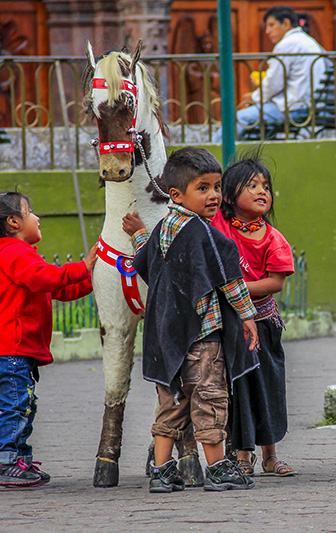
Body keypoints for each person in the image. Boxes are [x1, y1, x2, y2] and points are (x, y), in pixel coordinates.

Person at [121, 147, 260, 493]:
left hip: (164, 338)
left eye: (216, 187)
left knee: (172, 405)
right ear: (177, 194)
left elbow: (146, 261)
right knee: (209, 398)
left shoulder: (165, 227)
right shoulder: (204, 234)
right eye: (203, 188)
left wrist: (139, 233)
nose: (213, 196)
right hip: (201, 337)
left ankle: (162, 471)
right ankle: (217, 468)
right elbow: (230, 279)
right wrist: (247, 316)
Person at [0, 191, 97, 487]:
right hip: (12, 345)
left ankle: (20, 460)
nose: (37, 217)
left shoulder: (17, 256)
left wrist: (94, 279)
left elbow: (58, 289)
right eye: (30, 212)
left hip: (13, 346)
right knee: (18, 405)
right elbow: (48, 278)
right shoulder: (13, 254)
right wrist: (83, 267)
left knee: (24, 404)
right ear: (14, 222)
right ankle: (5, 461)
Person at [211, 154, 296, 477]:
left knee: (268, 388)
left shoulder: (275, 239)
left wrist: (235, 287)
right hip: (230, 327)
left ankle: (271, 455)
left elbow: (275, 283)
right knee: (239, 390)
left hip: (264, 325)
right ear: (230, 197)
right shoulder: (219, 227)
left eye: (266, 186)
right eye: (252, 185)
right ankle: (242, 456)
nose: (262, 191)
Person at [213, 5, 327, 141]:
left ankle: (215, 157)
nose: (267, 31)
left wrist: (255, 97)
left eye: (271, 25)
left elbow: (274, 83)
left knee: (237, 119)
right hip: (309, 105)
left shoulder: (287, 44)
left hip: (292, 108)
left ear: (286, 23)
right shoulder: (309, 42)